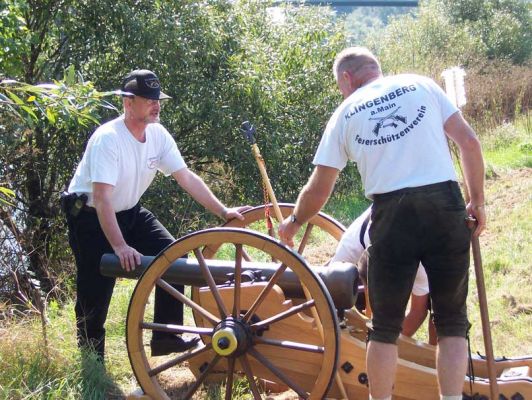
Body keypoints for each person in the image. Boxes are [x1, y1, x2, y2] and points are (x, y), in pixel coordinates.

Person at [279, 47, 486, 400]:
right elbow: (468, 142)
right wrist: (477, 201)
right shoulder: (420, 84)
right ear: (376, 70)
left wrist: (294, 222)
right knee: (452, 322)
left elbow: (319, 187)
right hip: (444, 203)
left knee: (384, 328)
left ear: (346, 78)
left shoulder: (344, 113)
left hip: (392, 214)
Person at [64, 69, 248, 361]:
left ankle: (166, 337)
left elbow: (186, 177)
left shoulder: (158, 135)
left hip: (130, 211)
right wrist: (120, 246)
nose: (156, 104)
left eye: (157, 98)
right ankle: (91, 363)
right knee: (95, 290)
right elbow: (101, 198)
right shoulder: (108, 139)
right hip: (90, 217)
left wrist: (223, 210)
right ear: (128, 102)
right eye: (148, 99)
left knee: (174, 257)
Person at [331, 205, 436, 344]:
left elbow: (418, 312)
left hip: (434, 223)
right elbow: (326, 288)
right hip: (394, 213)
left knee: (442, 307)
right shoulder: (351, 244)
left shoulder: (422, 264)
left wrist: (385, 342)